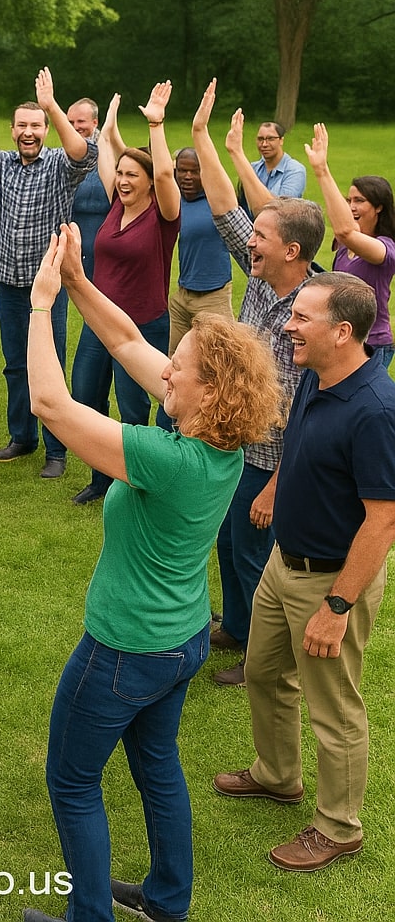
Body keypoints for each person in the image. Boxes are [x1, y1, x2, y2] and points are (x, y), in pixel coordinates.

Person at [24, 224, 282, 922]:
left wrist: (43, 304)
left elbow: (51, 405)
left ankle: (89, 917)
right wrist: (80, 283)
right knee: (157, 766)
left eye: (182, 366)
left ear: (210, 390)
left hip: (125, 648)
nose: (168, 369)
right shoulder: (216, 440)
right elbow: (126, 344)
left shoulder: (170, 460)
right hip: (181, 640)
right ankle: (168, 901)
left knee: (72, 782)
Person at [213, 272, 395, 873]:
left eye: (301, 317)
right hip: (281, 563)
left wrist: (337, 608)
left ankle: (338, 827)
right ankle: (276, 775)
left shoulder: (374, 410)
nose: (287, 325)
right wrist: (273, 486)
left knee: (334, 707)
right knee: (264, 674)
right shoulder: (319, 376)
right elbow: (300, 445)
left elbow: (383, 522)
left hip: (330, 582)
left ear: (342, 332)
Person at [192, 81, 325, 687]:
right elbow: (225, 211)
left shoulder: (312, 312)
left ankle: (259, 656)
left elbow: (307, 408)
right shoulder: (264, 278)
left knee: (254, 557)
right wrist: (201, 138)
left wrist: (275, 483)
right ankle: (238, 627)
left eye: (262, 238)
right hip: (238, 442)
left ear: (291, 250)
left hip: (272, 459)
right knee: (228, 544)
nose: (251, 243)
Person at [0, 54, 97, 480]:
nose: (28, 133)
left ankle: (57, 449)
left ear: (45, 131)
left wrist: (50, 105)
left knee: (47, 363)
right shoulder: (4, 164)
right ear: (13, 131)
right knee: (15, 363)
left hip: (47, 286)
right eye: (22, 126)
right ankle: (23, 436)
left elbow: (83, 151)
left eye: (35, 126)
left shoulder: (59, 165)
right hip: (6, 281)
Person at [69, 84, 180, 504]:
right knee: (86, 396)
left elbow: (166, 172)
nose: (123, 179)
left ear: (150, 182)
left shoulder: (164, 215)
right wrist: (109, 125)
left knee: (134, 409)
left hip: (141, 325)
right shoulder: (117, 200)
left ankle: (137, 481)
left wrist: (155, 123)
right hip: (100, 322)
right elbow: (107, 157)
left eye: (133, 175)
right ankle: (101, 479)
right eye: (121, 173)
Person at [304, 122, 395, 366]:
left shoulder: (385, 248)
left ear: (378, 207)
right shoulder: (343, 247)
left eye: (360, 201)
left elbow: (345, 230)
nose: (352, 206)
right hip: (342, 338)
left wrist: (321, 170)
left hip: (372, 344)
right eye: (349, 200)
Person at [167, 146, 233, 355]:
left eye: (194, 171)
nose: (187, 177)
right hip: (182, 296)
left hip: (214, 296)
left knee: (217, 363)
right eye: (182, 170)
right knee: (175, 361)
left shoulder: (218, 200)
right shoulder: (174, 200)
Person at [66, 98, 111, 282]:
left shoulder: (109, 154)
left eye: (81, 121)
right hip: (74, 243)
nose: (75, 127)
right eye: (70, 122)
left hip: (104, 244)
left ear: (95, 122)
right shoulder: (62, 155)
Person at [236, 119, 307, 218]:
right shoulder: (253, 168)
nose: (264, 144)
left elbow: (282, 209)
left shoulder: (295, 170)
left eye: (270, 139)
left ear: (281, 140)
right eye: (260, 139)